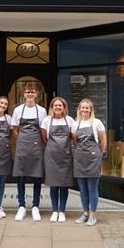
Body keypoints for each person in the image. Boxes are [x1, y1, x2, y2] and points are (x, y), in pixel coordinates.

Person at [11, 82, 47, 221]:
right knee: (21, 176)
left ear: (37, 94)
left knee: (37, 177)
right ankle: (21, 206)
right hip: (22, 147)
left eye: (32, 92)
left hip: (37, 147)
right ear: (24, 94)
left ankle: (35, 206)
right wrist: (21, 139)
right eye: (28, 92)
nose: (30, 94)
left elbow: (43, 129)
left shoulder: (42, 111)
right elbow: (15, 129)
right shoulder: (18, 110)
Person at [71, 98, 107, 226]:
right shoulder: (75, 124)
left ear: (91, 110)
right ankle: (85, 213)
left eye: (87, 108)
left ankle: (93, 215)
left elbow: (103, 142)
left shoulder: (97, 123)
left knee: (92, 188)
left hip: (93, 159)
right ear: (79, 109)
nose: (85, 110)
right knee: (82, 189)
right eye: (83, 107)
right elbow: (75, 142)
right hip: (80, 159)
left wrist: (98, 155)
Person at [40, 97, 74, 223]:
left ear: (64, 108)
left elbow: (73, 138)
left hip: (65, 157)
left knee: (64, 185)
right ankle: (54, 211)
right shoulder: (46, 121)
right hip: (51, 157)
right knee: (53, 185)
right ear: (52, 108)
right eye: (55, 105)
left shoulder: (70, 120)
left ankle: (62, 211)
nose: (58, 107)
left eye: (60, 105)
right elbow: (44, 139)